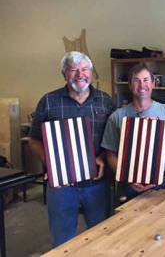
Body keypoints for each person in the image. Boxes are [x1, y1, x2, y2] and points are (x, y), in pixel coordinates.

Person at [28, 51, 115, 248]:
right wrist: (52, 165)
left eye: (84, 69)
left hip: (97, 184)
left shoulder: (105, 101)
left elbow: (112, 138)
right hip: (61, 189)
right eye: (73, 70)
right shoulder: (48, 101)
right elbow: (34, 140)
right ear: (64, 74)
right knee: (62, 241)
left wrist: (102, 156)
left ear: (91, 72)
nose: (79, 74)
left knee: (101, 238)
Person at [101, 64, 165, 202]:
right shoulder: (117, 116)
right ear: (130, 84)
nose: (141, 85)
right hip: (128, 185)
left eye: (145, 80)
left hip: (161, 182)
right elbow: (110, 154)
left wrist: (158, 131)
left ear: (153, 83)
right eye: (136, 80)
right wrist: (126, 178)